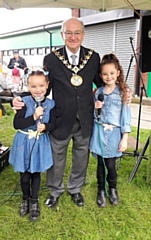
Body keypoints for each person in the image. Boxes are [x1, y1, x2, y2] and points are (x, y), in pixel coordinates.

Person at [12, 17, 132, 208]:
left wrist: (123, 90)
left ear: (83, 35)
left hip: (85, 117)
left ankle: (75, 189)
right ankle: (55, 190)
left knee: (80, 157)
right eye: (69, 32)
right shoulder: (51, 59)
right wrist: (20, 98)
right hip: (60, 118)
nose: (73, 37)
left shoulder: (93, 57)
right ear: (62, 34)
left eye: (77, 32)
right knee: (57, 156)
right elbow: (43, 86)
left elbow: (103, 84)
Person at [9, 68, 56, 222]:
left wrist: (46, 127)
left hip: (39, 142)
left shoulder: (51, 104)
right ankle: (25, 199)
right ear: (28, 87)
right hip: (24, 143)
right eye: (34, 87)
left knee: (36, 173)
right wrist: (33, 117)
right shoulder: (24, 101)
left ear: (47, 85)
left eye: (41, 86)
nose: (38, 90)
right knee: (24, 175)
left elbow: (54, 123)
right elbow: (17, 124)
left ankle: (34, 201)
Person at [90, 53, 131, 208]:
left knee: (111, 164)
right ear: (101, 75)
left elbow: (125, 117)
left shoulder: (122, 94)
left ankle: (112, 189)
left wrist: (125, 137)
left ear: (118, 73)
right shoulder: (98, 92)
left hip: (114, 135)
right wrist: (96, 108)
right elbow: (95, 116)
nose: (109, 77)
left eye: (112, 73)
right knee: (100, 164)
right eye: (105, 74)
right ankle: (101, 190)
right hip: (100, 133)